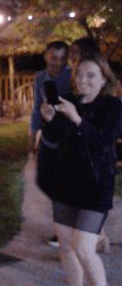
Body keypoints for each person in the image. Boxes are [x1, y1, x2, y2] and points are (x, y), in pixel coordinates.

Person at [37, 53, 122, 286]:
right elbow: (56, 139)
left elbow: (102, 143)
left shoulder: (113, 107)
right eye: (79, 74)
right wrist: (49, 120)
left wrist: (77, 119)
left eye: (91, 75)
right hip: (65, 183)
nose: (83, 80)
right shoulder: (67, 101)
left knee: (84, 248)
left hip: (96, 187)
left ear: (104, 79)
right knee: (66, 246)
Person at [30, 41, 72, 154]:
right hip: (48, 132)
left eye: (63, 58)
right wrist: (33, 140)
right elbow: (37, 108)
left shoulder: (72, 75)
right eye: (54, 58)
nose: (59, 63)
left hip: (70, 132)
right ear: (45, 57)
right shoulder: (40, 77)